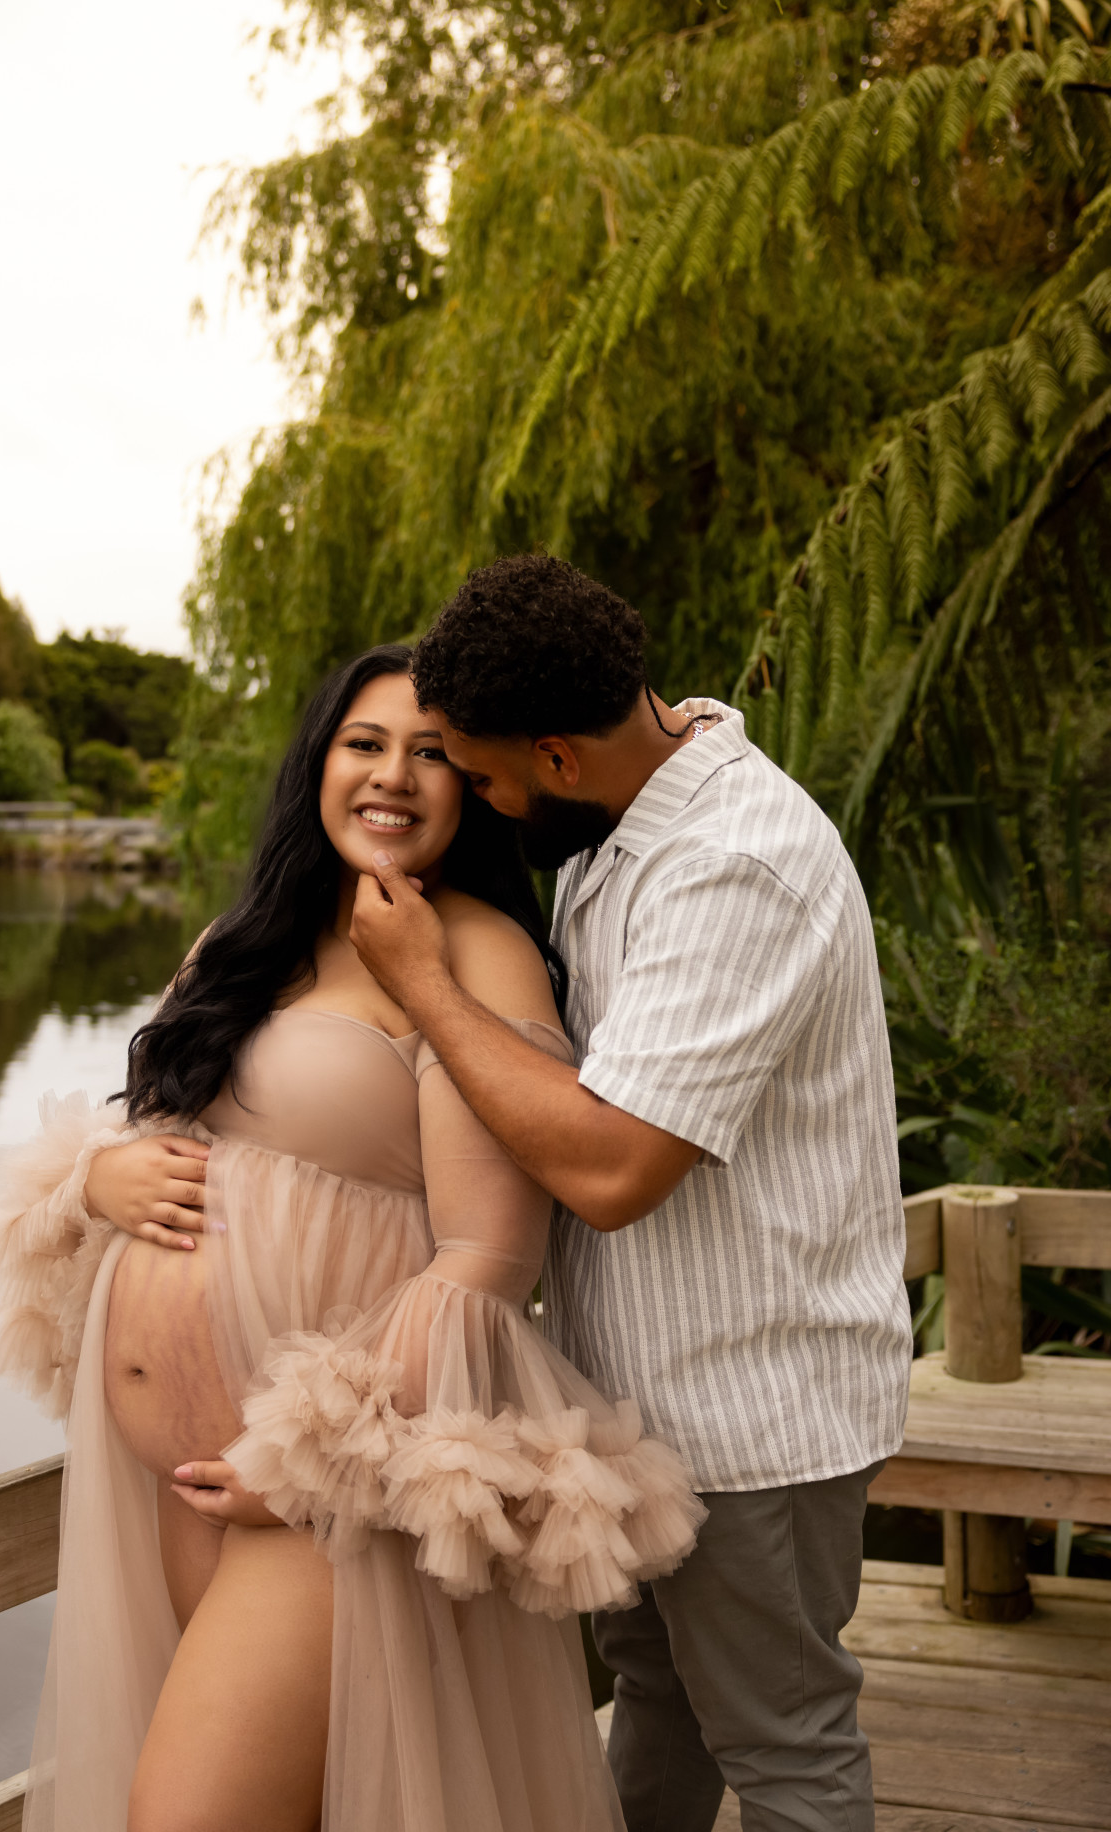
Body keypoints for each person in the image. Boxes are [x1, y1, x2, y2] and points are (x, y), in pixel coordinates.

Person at [0, 643, 704, 1832]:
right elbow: (159, 1131)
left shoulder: (473, 948)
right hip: (173, 1481)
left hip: (319, 1494)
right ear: (317, 762)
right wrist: (98, 1178)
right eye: (364, 744)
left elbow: (485, 1263)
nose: (393, 777)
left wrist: (303, 1467)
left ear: (471, 784)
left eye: (430, 755)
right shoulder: (240, 940)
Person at [349, 559, 913, 1832]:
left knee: (784, 1747)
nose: (476, 801)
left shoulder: (730, 866)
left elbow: (610, 1170)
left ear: (554, 755)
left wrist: (426, 987)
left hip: (754, 1413)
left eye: (480, 774)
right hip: (647, 1407)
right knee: (657, 1697)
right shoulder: (626, 812)